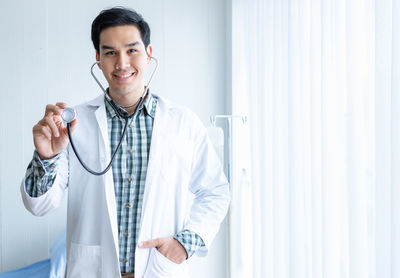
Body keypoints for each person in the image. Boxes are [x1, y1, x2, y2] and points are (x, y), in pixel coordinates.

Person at [20, 7, 230, 278]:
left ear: (148, 53)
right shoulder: (73, 125)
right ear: (98, 58)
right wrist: (47, 158)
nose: (121, 63)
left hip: (159, 269)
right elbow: (39, 206)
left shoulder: (183, 123)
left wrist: (185, 244)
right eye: (110, 53)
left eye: (132, 50)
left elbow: (215, 191)